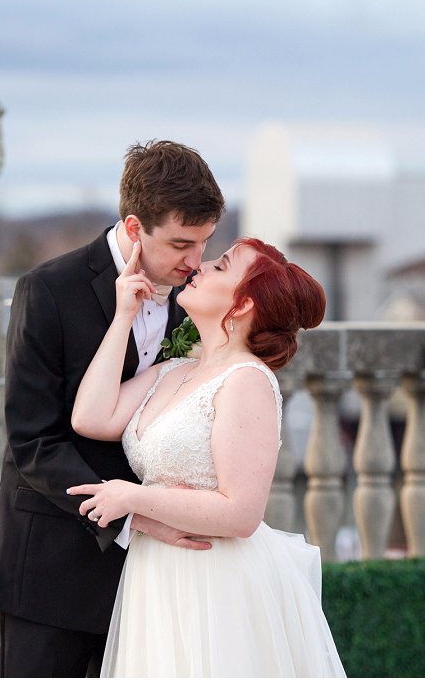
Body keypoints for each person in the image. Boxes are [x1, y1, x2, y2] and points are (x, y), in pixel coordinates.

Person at [0, 140, 226, 677]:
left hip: (152, 575)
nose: (194, 263)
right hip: (46, 568)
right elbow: (34, 440)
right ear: (134, 228)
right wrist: (134, 516)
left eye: (204, 243)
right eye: (181, 243)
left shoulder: (196, 296)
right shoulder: (47, 291)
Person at [68, 237, 346, 677]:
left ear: (240, 306)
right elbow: (90, 417)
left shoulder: (247, 380)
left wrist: (133, 498)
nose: (203, 265)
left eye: (222, 267)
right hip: (155, 575)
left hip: (214, 580)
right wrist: (124, 315)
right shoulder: (173, 370)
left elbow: (241, 512)